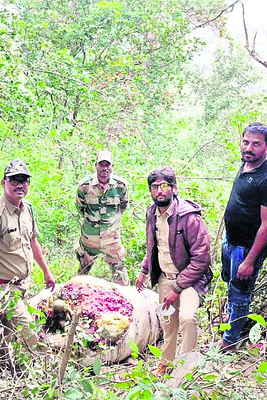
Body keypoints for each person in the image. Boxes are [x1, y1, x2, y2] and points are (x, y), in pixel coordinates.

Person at [135, 167, 213, 377]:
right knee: (168, 323)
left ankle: (186, 366)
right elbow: (153, 245)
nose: (159, 191)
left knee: (187, 318)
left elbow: (202, 258)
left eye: (164, 186)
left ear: (174, 188)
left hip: (189, 280)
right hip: (164, 278)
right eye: (154, 187)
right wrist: (144, 270)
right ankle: (165, 363)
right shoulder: (151, 213)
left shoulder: (189, 218)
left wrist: (177, 288)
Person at [218, 123, 267, 350]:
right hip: (231, 241)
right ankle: (234, 325)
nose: (249, 148)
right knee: (231, 285)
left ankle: (230, 341)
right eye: (246, 142)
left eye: (256, 144)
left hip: (247, 248)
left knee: (240, 293)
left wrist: (249, 260)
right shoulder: (246, 164)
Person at [0, 160, 55, 350]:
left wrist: (46, 271)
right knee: (32, 338)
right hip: (3, 289)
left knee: (6, 337)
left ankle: (4, 368)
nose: (20, 185)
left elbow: (33, 241)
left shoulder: (27, 208)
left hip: (22, 285)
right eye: (14, 180)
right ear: (4, 182)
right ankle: (42, 372)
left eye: (24, 180)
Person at [76, 150, 130, 285]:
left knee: (121, 278)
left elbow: (122, 207)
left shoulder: (121, 186)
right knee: (80, 278)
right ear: (96, 166)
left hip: (112, 240)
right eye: (101, 165)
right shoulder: (84, 186)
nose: (104, 168)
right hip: (90, 239)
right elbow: (80, 207)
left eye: (108, 165)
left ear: (112, 166)